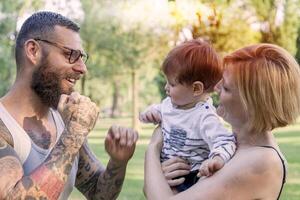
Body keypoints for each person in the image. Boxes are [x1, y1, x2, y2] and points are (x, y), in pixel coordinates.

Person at [0, 11, 138, 200]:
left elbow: (98, 193)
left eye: (82, 57)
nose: (82, 68)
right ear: (33, 51)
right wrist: (75, 131)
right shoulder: (4, 125)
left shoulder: (64, 119)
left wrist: (118, 161)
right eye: (70, 54)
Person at [144, 43, 300, 199]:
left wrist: (153, 148)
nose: (215, 88)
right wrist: (159, 178)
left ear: (252, 103)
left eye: (225, 87)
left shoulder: (262, 160)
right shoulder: (234, 146)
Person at [140, 39, 236, 192]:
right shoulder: (169, 104)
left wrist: (217, 159)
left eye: (172, 84)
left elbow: (224, 141)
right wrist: (149, 114)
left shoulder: (205, 117)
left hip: (190, 177)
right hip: (165, 170)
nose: (166, 88)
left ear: (196, 88)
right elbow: (158, 110)